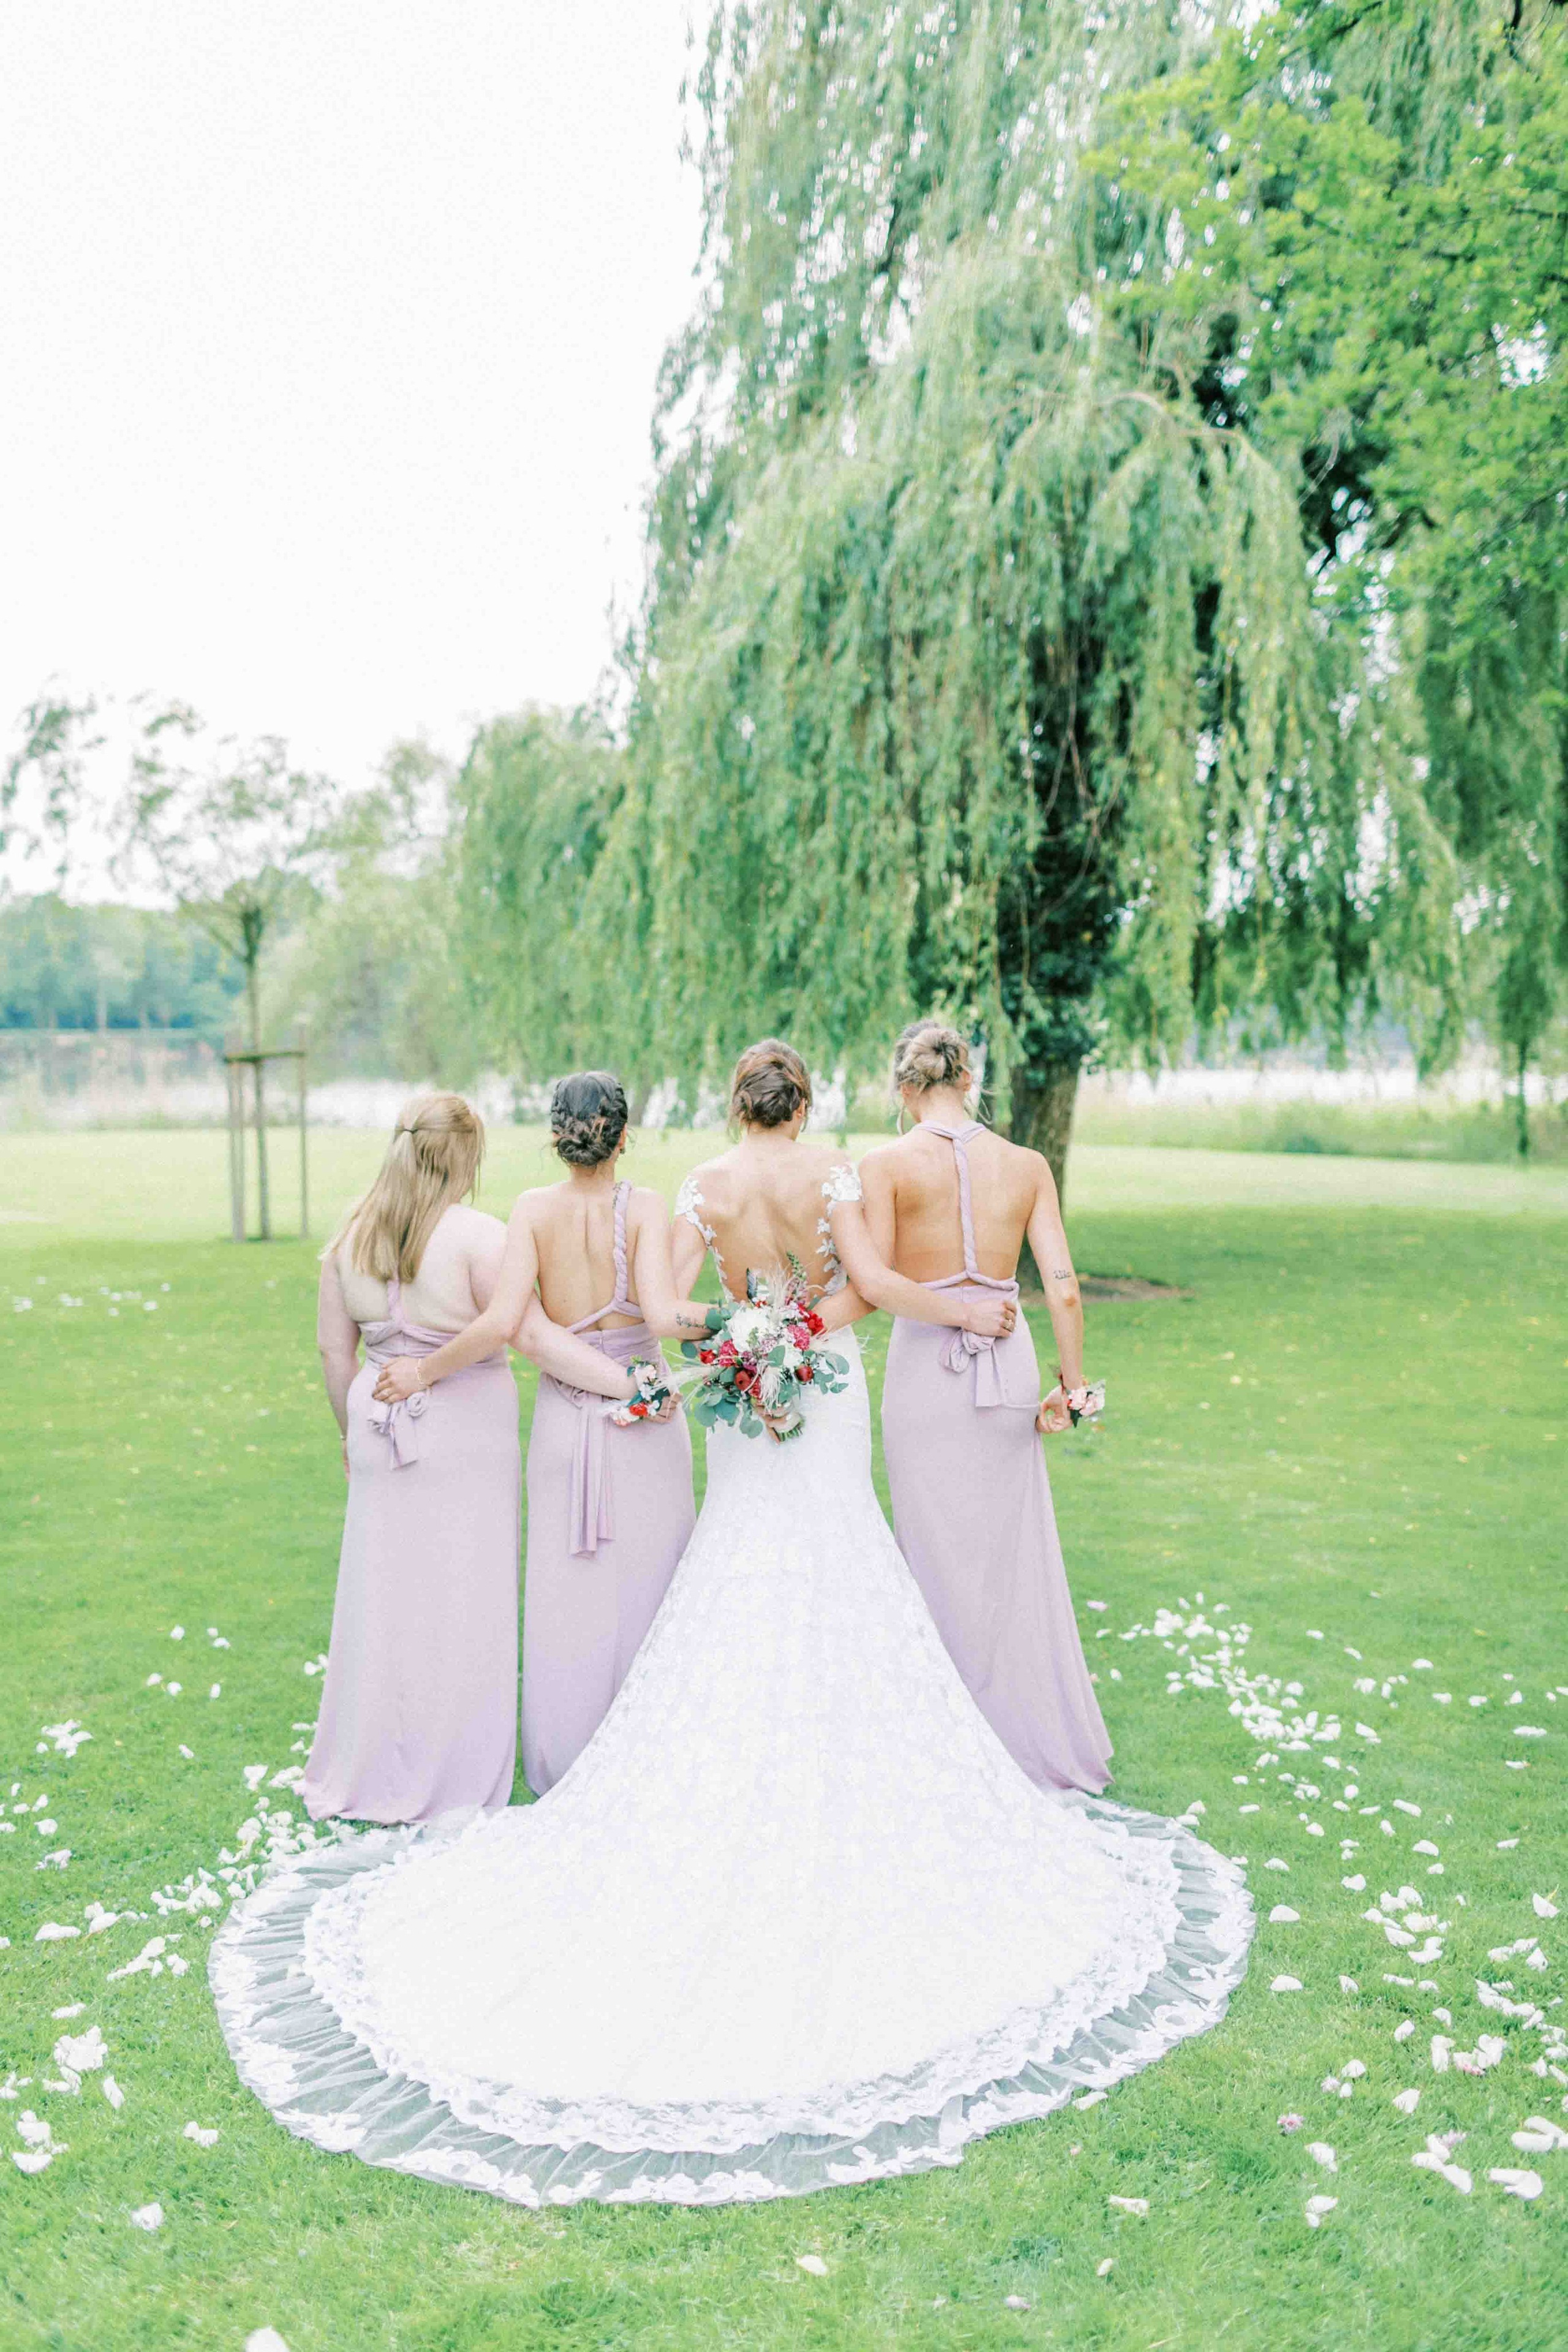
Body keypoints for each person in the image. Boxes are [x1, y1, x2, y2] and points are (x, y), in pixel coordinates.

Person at [214, 1042, 1251, 2210]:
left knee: (743, 1565)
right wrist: (801, 1335)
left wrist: (738, 1337)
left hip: (745, 1404)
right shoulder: (836, 1176)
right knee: (844, 1558)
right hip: (821, 1386)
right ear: (805, 1103)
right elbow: (857, 1287)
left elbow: (663, 1310)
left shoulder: (701, 1188)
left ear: (731, 1107)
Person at [303, 1092, 655, 1826]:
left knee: (385, 1600)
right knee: (468, 1599)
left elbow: (336, 1352)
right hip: (464, 1429)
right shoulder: (474, 1236)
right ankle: (453, 1769)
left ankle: (374, 1762)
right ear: (466, 1157)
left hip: (378, 1421)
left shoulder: (348, 1241)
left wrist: (350, 1431)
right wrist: (629, 1383)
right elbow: (524, 1333)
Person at [375, 1072, 696, 1795]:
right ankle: (655, 1761)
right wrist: (734, 1327)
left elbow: (517, 1324)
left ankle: (567, 1764)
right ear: (622, 1133)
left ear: (558, 1136)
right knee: (654, 1584)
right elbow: (664, 1311)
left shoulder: (529, 1211)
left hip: (567, 1418)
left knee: (568, 1595)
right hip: (647, 1419)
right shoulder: (643, 1206)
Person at [864, 1020, 1111, 1792]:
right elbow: (1063, 1285)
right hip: (1005, 1364)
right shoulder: (1028, 1165)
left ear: (905, 1089)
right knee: (1006, 1558)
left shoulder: (885, 1164)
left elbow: (873, 1285)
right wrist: (1072, 1390)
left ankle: (936, 1742)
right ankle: (1011, 1738)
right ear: (968, 1081)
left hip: (924, 1369)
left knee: (928, 1554)